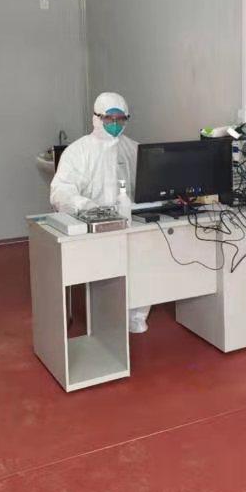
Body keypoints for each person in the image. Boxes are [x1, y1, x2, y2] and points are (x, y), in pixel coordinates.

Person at [50, 92, 151, 334]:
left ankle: (135, 315)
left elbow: (146, 185)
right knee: (104, 273)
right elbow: (60, 191)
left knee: (142, 264)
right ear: (97, 118)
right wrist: (85, 206)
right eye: (109, 119)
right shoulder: (78, 151)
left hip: (127, 224)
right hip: (91, 227)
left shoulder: (133, 149)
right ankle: (105, 318)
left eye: (121, 119)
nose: (115, 124)